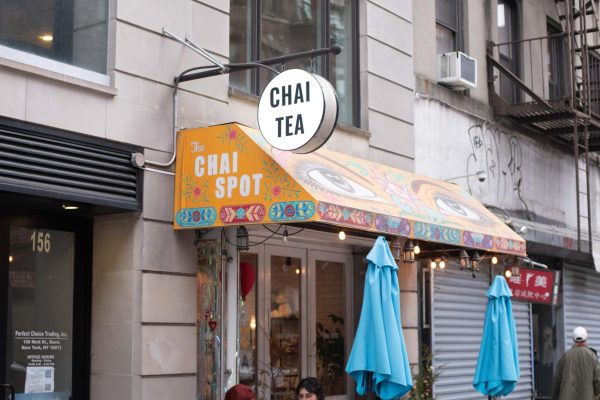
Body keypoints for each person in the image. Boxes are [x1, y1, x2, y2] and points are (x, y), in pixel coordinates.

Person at [552, 326, 600, 400]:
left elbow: (556, 382)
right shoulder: (592, 356)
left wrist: (554, 397)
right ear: (586, 339)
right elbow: (598, 381)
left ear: (573, 339)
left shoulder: (565, 357)